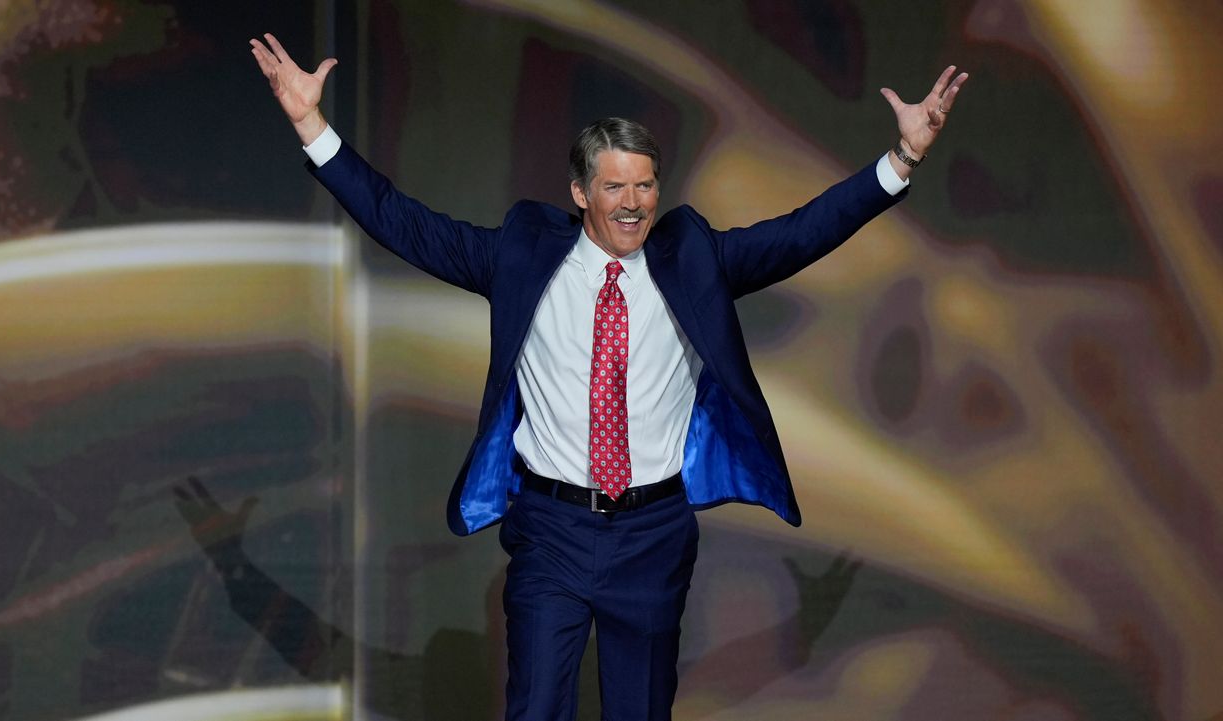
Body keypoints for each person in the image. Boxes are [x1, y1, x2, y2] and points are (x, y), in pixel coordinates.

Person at [249, 31, 965, 721]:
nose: (634, 202)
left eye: (646, 185)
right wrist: (313, 126)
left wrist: (901, 158)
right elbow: (400, 220)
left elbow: (804, 231)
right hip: (552, 529)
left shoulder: (694, 257)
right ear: (580, 191)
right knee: (534, 709)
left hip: (653, 531)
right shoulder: (524, 255)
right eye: (616, 186)